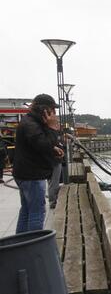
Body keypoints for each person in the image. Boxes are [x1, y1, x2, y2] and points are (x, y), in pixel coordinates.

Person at [13, 94, 64, 233]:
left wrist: (53, 148)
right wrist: (53, 128)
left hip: (24, 173)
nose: (54, 113)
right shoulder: (31, 124)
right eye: (52, 110)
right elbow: (43, 144)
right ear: (45, 110)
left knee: (26, 210)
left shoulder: (30, 121)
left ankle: (21, 243)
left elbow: (38, 143)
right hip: (32, 176)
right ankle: (33, 246)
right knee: (37, 212)